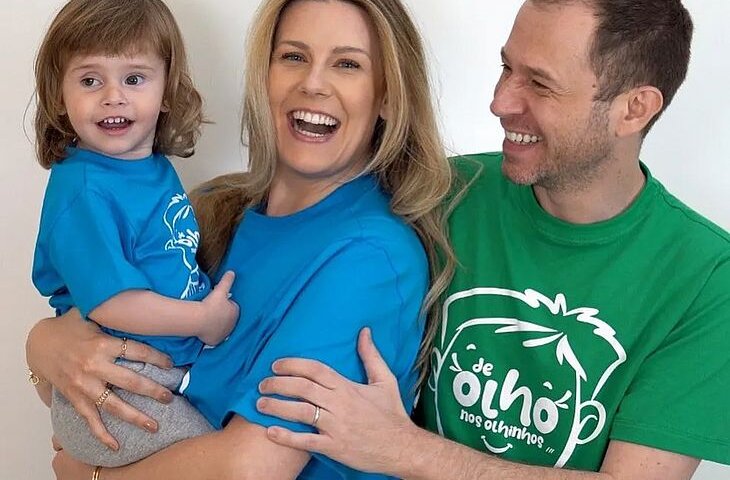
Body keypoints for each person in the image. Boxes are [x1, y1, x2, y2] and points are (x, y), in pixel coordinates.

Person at [253, 0, 730, 478]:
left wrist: (402, 448)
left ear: (634, 109)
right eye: (507, 68)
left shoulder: (707, 279)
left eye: (540, 84)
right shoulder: (443, 192)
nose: (500, 102)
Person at [26, 0, 455, 478]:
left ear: (389, 96)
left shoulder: (371, 257)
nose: (313, 83)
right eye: (293, 56)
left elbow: (250, 467)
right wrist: (44, 345)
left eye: (347, 64)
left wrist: (93, 477)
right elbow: (93, 354)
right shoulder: (212, 210)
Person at [30, 0, 239, 467]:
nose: (113, 97)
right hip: (116, 383)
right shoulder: (84, 190)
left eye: (134, 78)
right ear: (60, 94)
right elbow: (114, 303)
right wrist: (202, 320)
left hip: (161, 370)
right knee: (220, 460)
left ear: (167, 89)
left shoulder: (151, 168)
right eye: (90, 80)